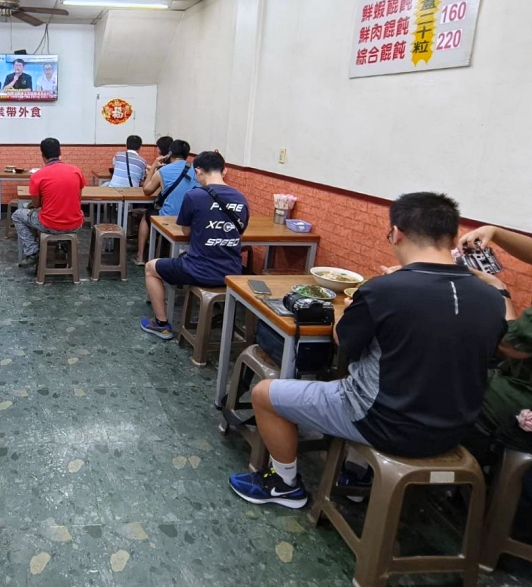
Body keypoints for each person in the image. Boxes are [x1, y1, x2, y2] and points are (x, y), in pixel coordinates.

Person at [228, 192, 507, 509]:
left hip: (382, 423)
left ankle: (285, 485)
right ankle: (356, 477)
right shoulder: (491, 298)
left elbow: (343, 342)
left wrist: (349, 310)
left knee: (266, 394)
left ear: (397, 233)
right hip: (454, 430)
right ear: (451, 235)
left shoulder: (383, 290)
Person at [456, 226, 532, 459]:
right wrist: (496, 232)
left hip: (531, 399)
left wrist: (500, 291)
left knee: (442, 378)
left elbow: (507, 345)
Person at [140, 151, 249, 339]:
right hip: (233, 271)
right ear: (224, 170)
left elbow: (185, 232)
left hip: (198, 269)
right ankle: (216, 314)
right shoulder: (241, 198)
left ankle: (162, 324)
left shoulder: (194, 196)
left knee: (151, 268)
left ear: (198, 172)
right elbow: (239, 231)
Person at [12, 138, 86, 269]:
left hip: (50, 225)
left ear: (42, 155)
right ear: (60, 152)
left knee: (18, 215)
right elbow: (78, 198)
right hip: (75, 224)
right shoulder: (76, 171)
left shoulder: (38, 176)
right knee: (65, 212)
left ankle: (32, 252)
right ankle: (62, 247)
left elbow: (35, 205)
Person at [135, 139, 197, 265]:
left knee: (146, 216)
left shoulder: (163, 171)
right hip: (192, 219)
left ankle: (140, 256)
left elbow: (147, 190)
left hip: (168, 218)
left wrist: (153, 166)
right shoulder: (197, 171)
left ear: (169, 153)